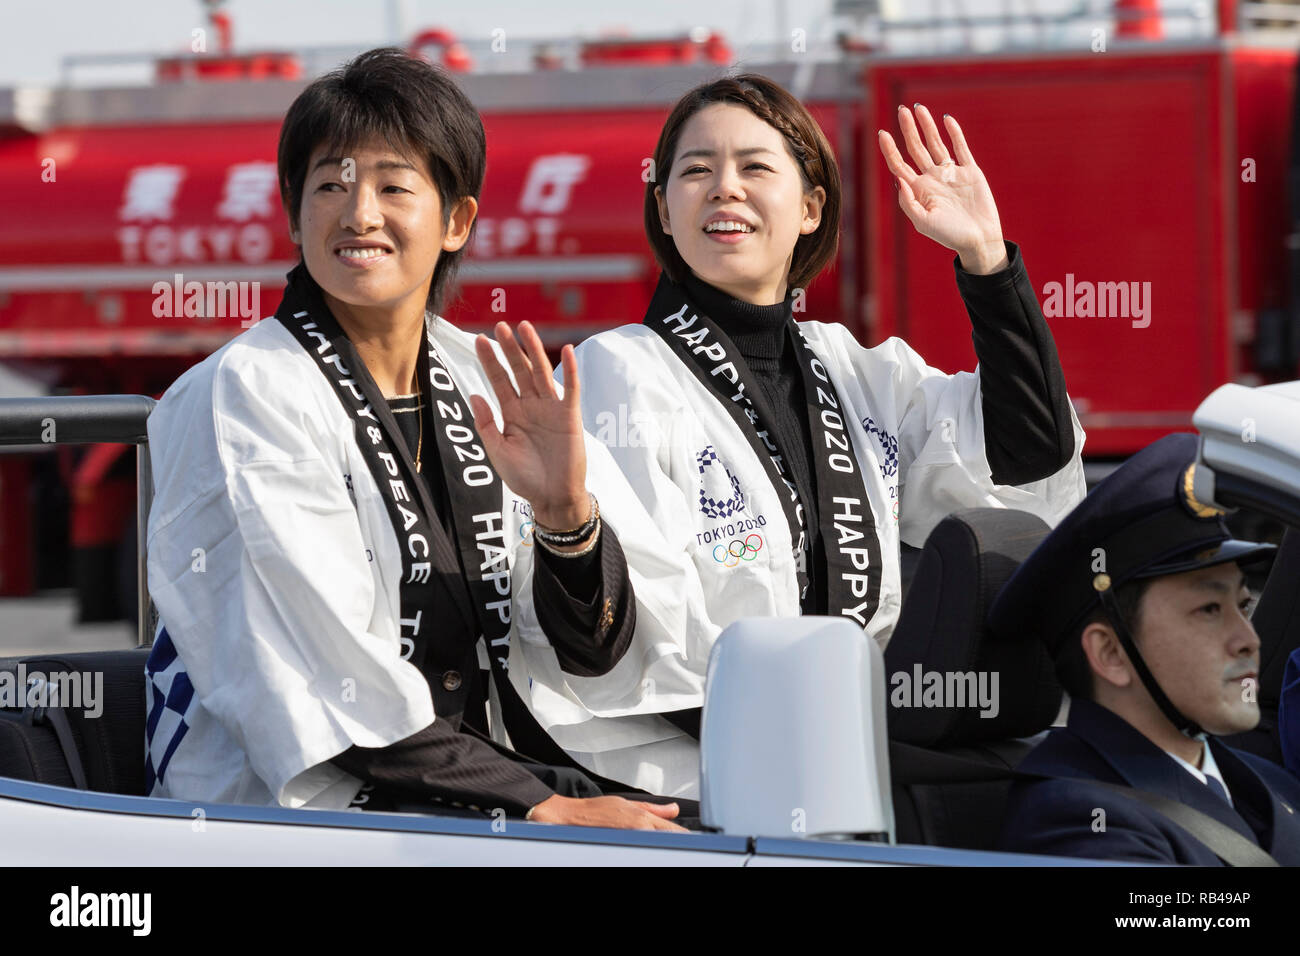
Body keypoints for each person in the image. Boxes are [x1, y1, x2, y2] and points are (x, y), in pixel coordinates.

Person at [142, 48, 699, 831]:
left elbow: (599, 653)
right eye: (329, 184)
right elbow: (322, 682)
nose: (359, 212)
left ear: (457, 220)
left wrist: (566, 516)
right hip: (283, 813)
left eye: (393, 185)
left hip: (475, 782)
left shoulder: (485, 375)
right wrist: (543, 808)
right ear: (294, 212)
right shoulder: (248, 390)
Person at [501, 73, 1088, 796]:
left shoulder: (857, 372)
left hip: (845, 740)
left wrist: (988, 264)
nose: (724, 188)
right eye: (695, 171)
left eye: (754, 166)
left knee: (1044, 784)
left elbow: (1025, 458)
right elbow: (608, 638)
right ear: (663, 207)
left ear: (811, 207)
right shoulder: (617, 374)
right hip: (689, 771)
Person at [991, 433, 1300, 864]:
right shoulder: (1079, 821)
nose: (1248, 638)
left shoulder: (1267, 784)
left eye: (1243, 605)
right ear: (1111, 654)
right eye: (1210, 609)